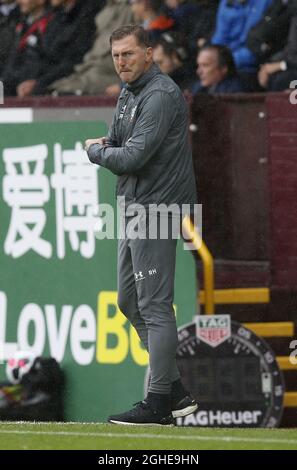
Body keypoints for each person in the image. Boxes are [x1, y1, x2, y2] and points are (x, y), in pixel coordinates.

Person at [85, 24, 198, 426]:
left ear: (149, 53)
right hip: (133, 206)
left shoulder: (161, 95)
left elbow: (128, 156)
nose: (121, 62)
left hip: (158, 208)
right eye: (116, 55)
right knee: (128, 301)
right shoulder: (129, 93)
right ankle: (176, 392)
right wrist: (108, 148)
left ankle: (157, 401)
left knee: (153, 305)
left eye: (129, 54)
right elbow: (117, 140)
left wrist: (97, 152)